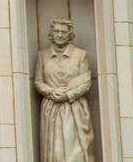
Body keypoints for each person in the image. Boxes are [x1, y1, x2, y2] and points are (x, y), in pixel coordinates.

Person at [34, 18, 94, 161]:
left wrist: (67, 95)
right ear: (51, 34)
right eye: (56, 31)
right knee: (55, 152)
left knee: (76, 149)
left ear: (70, 35)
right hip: (51, 108)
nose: (60, 35)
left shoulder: (80, 55)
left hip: (75, 107)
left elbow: (86, 83)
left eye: (63, 32)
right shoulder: (42, 55)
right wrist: (50, 91)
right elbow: (38, 81)